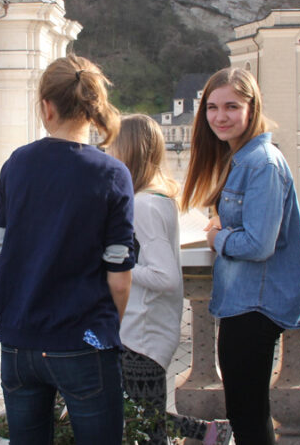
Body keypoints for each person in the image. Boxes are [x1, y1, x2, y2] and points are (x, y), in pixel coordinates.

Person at [0, 55, 135, 444]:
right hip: (84, 342)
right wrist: (106, 332)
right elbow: (120, 277)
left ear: (46, 106)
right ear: (92, 107)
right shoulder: (112, 174)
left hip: (19, 342)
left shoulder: (17, 165)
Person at [180, 67, 300, 445]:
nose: (220, 116)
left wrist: (218, 237)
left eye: (232, 106)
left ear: (252, 108)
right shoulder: (240, 159)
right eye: (213, 107)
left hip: (256, 305)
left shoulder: (261, 163)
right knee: (247, 412)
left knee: (249, 415)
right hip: (245, 301)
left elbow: (258, 244)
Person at [109, 114, 232, 445]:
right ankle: (208, 432)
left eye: (113, 146)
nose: (108, 153)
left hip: (142, 336)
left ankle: (209, 432)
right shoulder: (155, 200)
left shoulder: (145, 205)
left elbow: (164, 276)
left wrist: (112, 266)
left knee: (142, 426)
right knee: (133, 415)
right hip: (142, 332)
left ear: (129, 150)